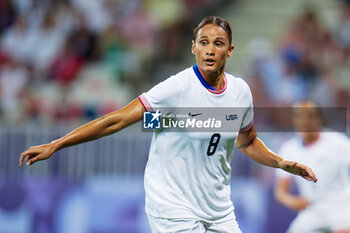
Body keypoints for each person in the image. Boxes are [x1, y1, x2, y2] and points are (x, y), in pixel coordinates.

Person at [19, 16, 317, 233]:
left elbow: (248, 142)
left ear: (230, 50)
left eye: (218, 44)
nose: (210, 50)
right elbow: (116, 121)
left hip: (217, 210)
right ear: (193, 48)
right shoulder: (175, 89)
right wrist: (56, 144)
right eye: (204, 43)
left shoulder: (240, 92)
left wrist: (281, 162)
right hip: (172, 206)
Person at [274, 101, 350, 233]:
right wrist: (292, 201)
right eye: (299, 116)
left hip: (341, 206)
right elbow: (280, 191)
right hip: (312, 210)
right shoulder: (288, 149)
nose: (304, 121)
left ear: (319, 118)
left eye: (309, 116)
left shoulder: (338, 142)